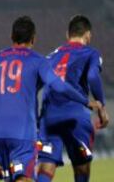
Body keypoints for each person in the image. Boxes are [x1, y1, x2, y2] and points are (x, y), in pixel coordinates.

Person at [0, 16, 101, 182]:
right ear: (33, 38)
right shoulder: (37, 60)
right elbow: (60, 86)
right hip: (23, 133)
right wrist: (85, 101)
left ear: (12, 36)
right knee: (24, 178)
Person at [37, 15, 109, 182]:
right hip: (76, 115)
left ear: (67, 34)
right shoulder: (91, 53)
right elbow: (92, 77)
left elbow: (36, 85)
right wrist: (102, 108)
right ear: (88, 35)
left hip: (49, 117)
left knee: (47, 164)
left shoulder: (50, 56)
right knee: (81, 166)